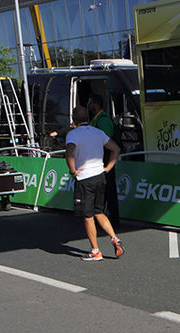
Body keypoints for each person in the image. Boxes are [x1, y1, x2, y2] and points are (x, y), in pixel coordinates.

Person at [65, 106, 123, 262]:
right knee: (99, 211)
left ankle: (96, 251)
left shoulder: (73, 134)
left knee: (88, 215)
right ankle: (114, 238)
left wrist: (72, 171)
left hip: (84, 177)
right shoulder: (98, 132)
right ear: (88, 118)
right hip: (100, 175)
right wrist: (108, 168)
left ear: (74, 119)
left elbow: (69, 153)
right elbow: (116, 149)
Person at [87, 94, 119, 226]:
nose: (88, 105)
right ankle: (101, 215)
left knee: (109, 188)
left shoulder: (103, 119)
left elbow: (107, 138)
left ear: (95, 104)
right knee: (103, 189)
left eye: (90, 102)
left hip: (105, 158)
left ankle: (113, 217)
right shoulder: (95, 119)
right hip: (98, 158)